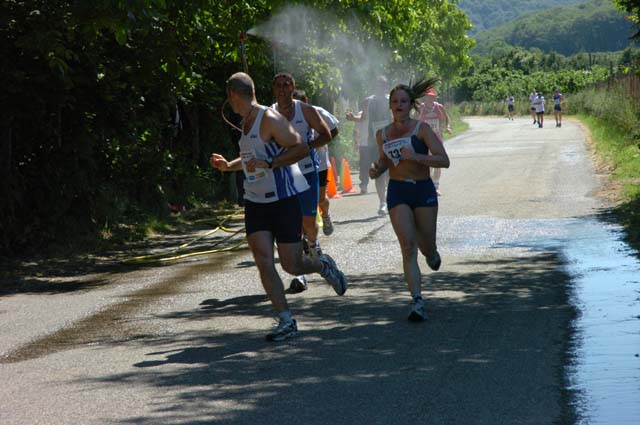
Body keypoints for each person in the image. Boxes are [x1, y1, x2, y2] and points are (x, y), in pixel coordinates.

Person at [210, 72, 347, 342]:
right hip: (255, 202)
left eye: (229, 97)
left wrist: (272, 165)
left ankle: (322, 266)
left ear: (234, 95)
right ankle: (286, 319)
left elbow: (301, 147)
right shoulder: (246, 121)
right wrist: (229, 165)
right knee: (262, 260)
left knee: (292, 265)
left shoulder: (268, 119)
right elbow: (252, 157)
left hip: (283, 199)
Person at [369, 77, 450, 322]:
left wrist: (416, 157)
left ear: (411, 104)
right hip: (399, 192)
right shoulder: (382, 134)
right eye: (395, 101)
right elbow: (384, 162)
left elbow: (443, 160)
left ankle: (433, 253)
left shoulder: (421, 129)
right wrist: (376, 169)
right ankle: (417, 301)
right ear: (390, 106)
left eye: (403, 101)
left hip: (423, 190)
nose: (399, 105)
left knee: (427, 249)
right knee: (408, 246)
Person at [289, 89, 340, 293]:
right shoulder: (283, 115)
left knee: (321, 200)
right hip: (294, 169)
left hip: (318, 165)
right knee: (298, 215)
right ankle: (310, 246)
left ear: (306, 102)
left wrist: (314, 143)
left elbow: (334, 130)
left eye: (300, 102)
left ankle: (325, 216)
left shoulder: (317, 112)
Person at [346, 76, 391, 215]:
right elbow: (364, 117)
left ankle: (393, 199)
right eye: (377, 85)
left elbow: (398, 117)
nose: (379, 88)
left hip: (391, 140)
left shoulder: (391, 99)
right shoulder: (368, 101)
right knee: (379, 172)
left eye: (382, 86)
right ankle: (382, 203)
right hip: (374, 141)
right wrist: (353, 118)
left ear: (386, 87)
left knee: (392, 172)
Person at [417, 87, 452, 195]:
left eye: (432, 96)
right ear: (425, 97)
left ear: (435, 97)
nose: (430, 98)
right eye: (428, 96)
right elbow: (414, 121)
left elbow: (447, 118)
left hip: (437, 139)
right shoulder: (421, 108)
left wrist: (447, 127)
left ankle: (436, 186)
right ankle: (428, 184)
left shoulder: (439, 107)